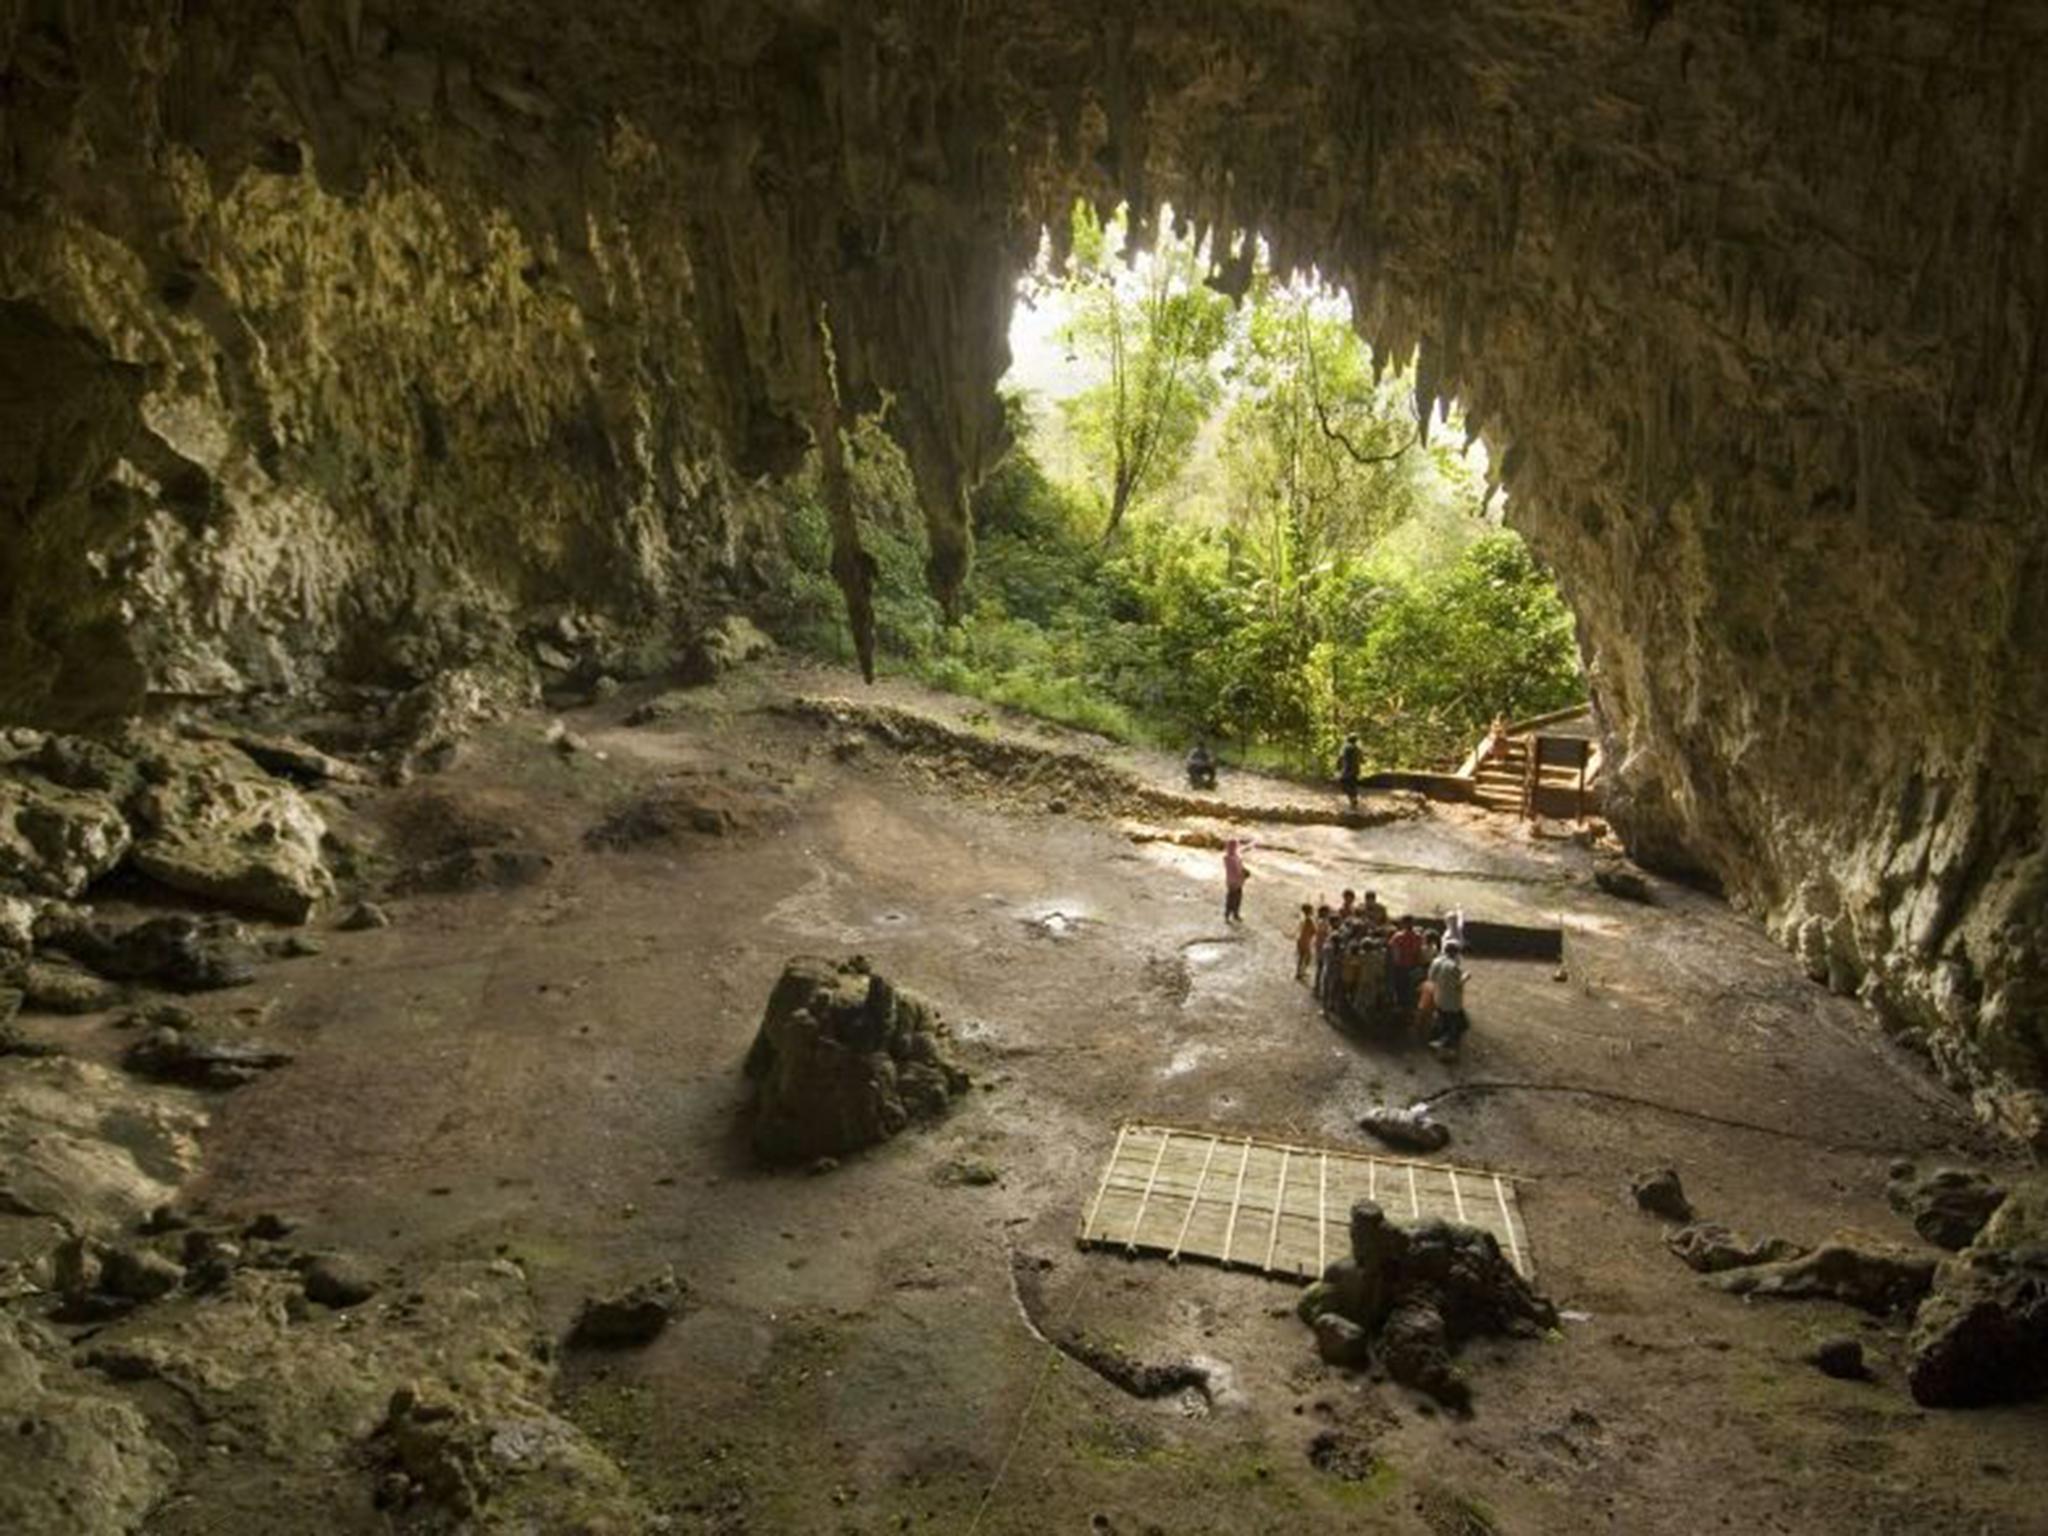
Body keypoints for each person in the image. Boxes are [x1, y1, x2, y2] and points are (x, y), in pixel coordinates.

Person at [1427, 939, 1470, 1054]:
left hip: (1439, 995)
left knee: (1443, 1019)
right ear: (1455, 953)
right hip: (1451, 1001)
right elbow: (1457, 985)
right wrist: (1466, 977)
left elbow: (1431, 978)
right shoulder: (1453, 967)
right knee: (1454, 1024)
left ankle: (1439, 1041)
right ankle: (1445, 1045)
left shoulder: (1436, 961)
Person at [1388, 915, 1427, 1013]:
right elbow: (1420, 952)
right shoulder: (1418, 937)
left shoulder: (1398, 937)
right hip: (1413, 965)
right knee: (1412, 986)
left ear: (1403, 924)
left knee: (1400, 986)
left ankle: (1401, 1006)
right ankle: (1411, 1006)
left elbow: (1395, 952)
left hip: (1401, 966)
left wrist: (1395, 964)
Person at [1222, 838, 1253, 924]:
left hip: (1237, 882)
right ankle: (1228, 916)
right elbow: (1236, 870)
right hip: (1233, 882)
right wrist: (1244, 874)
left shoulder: (1233, 856)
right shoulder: (1229, 859)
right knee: (1231, 900)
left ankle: (1235, 914)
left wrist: (1249, 846)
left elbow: (1241, 852)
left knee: (1237, 899)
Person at [1336, 733, 1364, 810]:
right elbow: (1362, 760)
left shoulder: (1346, 748)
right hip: (1356, 770)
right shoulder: (1358, 749)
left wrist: (1338, 767)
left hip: (1347, 770)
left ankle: (1352, 799)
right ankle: (1354, 800)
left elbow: (1340, 758)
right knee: (1353, 785)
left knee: (1344, 783)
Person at [1295, 902, 1316, 981]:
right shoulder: (1309, 920)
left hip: (1301, 940)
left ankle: (1299, 972)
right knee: (1307, 957)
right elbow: (1314, 930)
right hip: (1305, 941)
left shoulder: (1303, 919)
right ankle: (1302, 971)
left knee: (1301, 957)